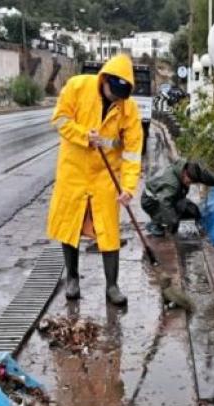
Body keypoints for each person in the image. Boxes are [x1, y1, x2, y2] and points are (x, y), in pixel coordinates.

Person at [47, 55, 144, 306]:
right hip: (74, 170)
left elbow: (132, 150)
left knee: (109, 230)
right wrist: (83, 135)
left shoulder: (128, 108)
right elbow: (59, 119)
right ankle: (72, 279)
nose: (116, 99)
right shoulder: (77, 86)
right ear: (104, 80)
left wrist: (129, 187)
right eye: (113, 93)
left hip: (105, 175)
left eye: (121, 97)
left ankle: (112, 286)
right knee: (70, 226)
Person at [141, 158, 214, 237]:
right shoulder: (172, 184)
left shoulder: (190, 169)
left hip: (172, 197)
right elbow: (164, 202)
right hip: (151, 201)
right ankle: (156, 223)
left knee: (192, 211)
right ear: (184, 174)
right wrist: (173, 223)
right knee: (170, 222)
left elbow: (208, 177)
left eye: (193, 182)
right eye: (189, 182)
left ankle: (165, 220)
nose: (190, 184)